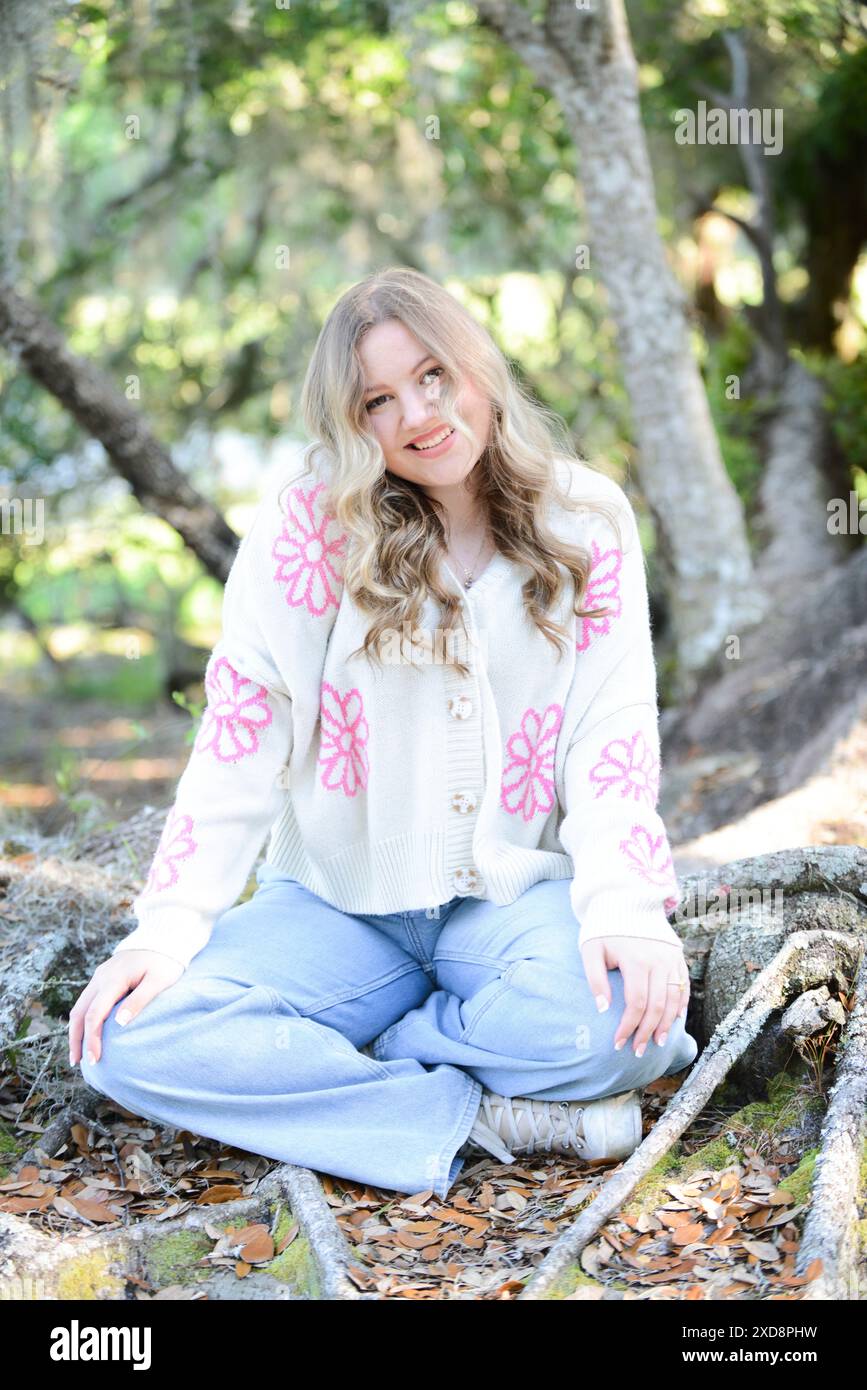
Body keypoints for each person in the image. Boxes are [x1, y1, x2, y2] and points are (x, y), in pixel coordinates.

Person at [69, 266, 698, 1200]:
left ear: (475, 363)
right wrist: (164, 932)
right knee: (124, 1040)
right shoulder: (309, 527)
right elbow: (243, 738)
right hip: (333, 911)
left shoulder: (587, 517)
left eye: (433, 375)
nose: (418, 414)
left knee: (622, 1029)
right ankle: (470, 1111)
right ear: (350, 422)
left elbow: (608, 739)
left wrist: (625, 908)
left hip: (505, 903)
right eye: (378, 400)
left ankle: (378, 1049)